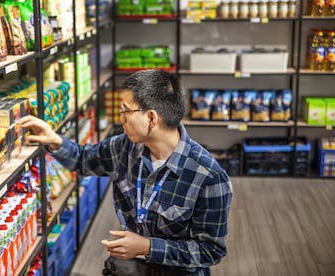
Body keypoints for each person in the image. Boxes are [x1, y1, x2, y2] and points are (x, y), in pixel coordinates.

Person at [20, 69, 233, 276]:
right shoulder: (125, 147)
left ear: (151, 119)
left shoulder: (209, 177)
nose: (120, 117)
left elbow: (210, 251)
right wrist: (55, 141)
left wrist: (147, 247)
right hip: (132, 268)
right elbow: (85, 159)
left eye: (125, 111)